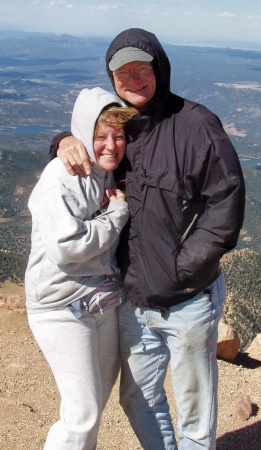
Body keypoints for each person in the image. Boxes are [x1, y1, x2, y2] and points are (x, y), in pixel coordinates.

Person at [50, 28, 246, 450]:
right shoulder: (121, 122)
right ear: (112, 78)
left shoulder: (195, 124)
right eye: (123, 73)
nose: (133, 79)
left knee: (195, 409)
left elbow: (225, 204)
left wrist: (182, 269)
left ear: (159, 68)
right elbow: (91, 141)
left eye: (142, 69)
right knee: (137, 397)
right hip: (133, 298)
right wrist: (62, 141)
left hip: (187, 298)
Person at [25, 86, 137, 450]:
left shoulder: (105, 172)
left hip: (98, 300)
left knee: (97, 397)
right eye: (100, 136)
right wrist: (117, 215)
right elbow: (67, 246)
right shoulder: (63, 176)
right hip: (61, 306)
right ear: (84, 135)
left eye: (118, 136)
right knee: (83, 413)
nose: (110, 145)